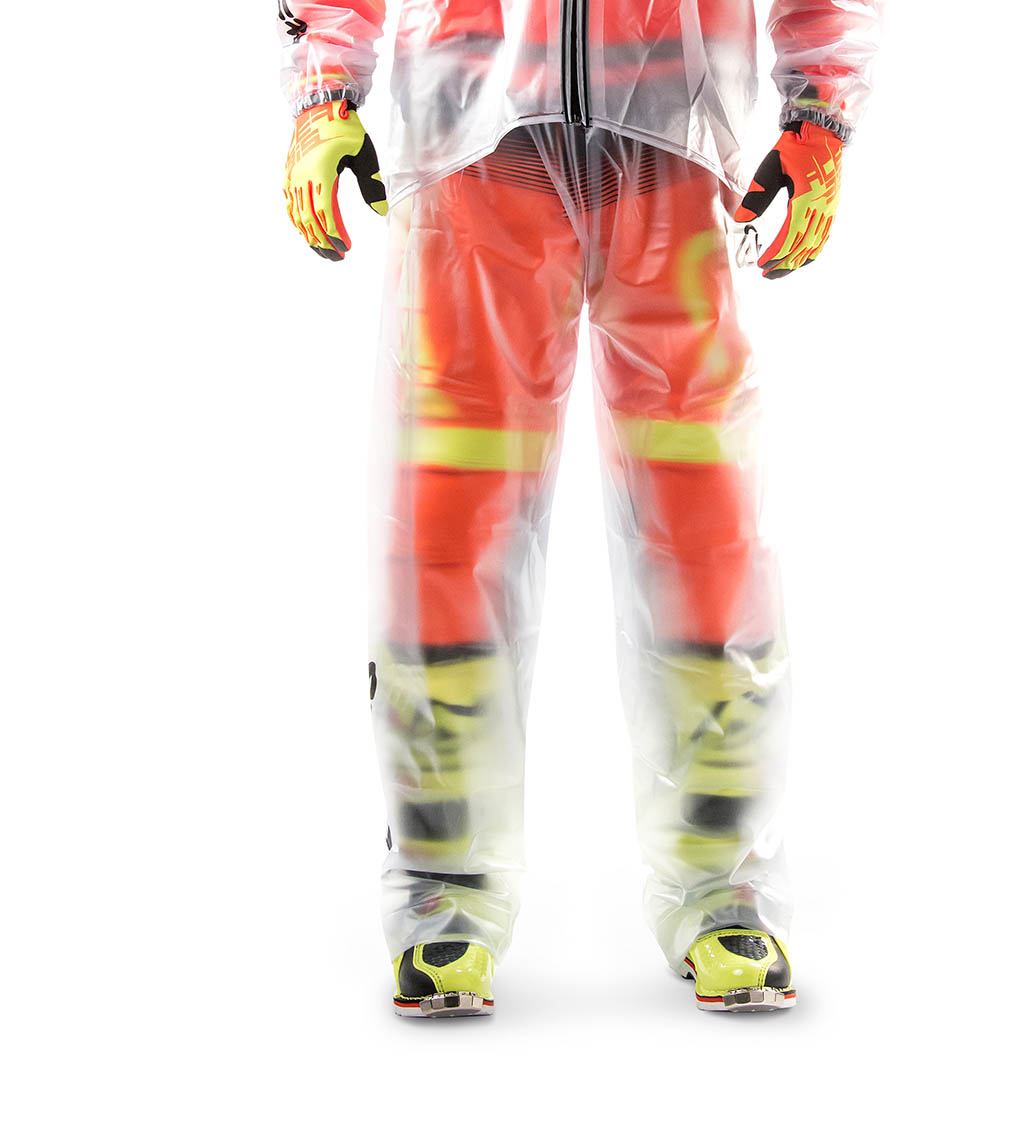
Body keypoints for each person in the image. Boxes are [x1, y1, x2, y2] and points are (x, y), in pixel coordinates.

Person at [279, 0, 879, 1016]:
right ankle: (442, 888)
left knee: (707, 523)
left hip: (679, 141)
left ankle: (724, 885)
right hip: (474, 136)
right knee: (448, 518)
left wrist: (820, 108)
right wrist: (324, 89)